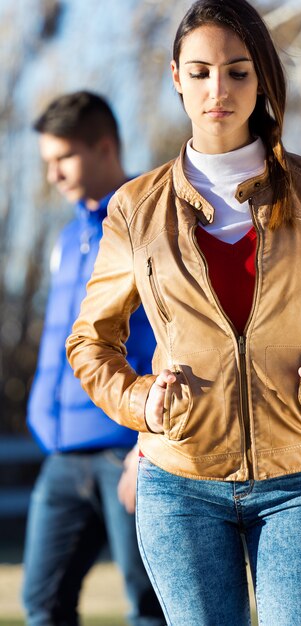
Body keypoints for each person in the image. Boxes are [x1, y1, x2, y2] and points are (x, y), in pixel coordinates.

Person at [66, 2, 301, 624]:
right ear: (175, 78)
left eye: (238, 72)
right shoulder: (136, 208)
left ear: (262, 79)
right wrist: (140, 402)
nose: (218, 89)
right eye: (200, 72)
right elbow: (91, 341)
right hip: (180, 482)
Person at [22, 91, 165, 626]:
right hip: (61, 458)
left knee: (150, 609)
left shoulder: (153, 225)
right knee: (42, 605)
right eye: (46, 162)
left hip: (128, 454)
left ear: (104, 147)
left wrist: (146, 444)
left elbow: (177, 342)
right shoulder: (66, 237)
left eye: (63, 158)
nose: (53, 174)